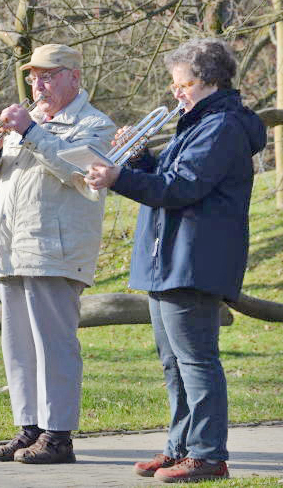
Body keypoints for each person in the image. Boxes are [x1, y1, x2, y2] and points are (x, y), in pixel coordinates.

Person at [85, 38, 266, 482]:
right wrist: (140, 159)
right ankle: (180, 447)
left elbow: (182, 189)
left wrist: (119, 177)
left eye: (180, 83)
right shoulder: (197, 123)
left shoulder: (221, 126)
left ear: (206, 80)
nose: (175, 92)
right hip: (169, 259)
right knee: (173, 362)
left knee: (196, 361)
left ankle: (207, 455)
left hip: (194, 260)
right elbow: (166, 178)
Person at [0, 44, 116, 464]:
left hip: (55, 249)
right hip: (11, 249)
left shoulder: (96, 124)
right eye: (34, 77)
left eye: (49, 76)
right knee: (17, 346)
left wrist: (31, 134)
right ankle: (30, 427)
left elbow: (79, 174)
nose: (38, 85)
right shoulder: (29, 121)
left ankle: (58, 435)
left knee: (53, 345)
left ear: (75, 76)